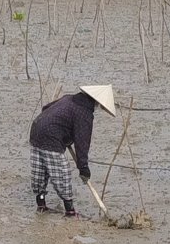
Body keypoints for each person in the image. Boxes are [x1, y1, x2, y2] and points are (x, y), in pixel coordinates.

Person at [29, 84, 117, 218]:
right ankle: (70, 211)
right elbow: (82, 142)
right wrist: (84, 167)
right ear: (97, 103)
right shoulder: (84, 113)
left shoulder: (69, 98)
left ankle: (41, 204)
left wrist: (62, 129)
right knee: (61, 173)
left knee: (40, 172)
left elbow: (45, 108)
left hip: (36, 129)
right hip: (51, 138)